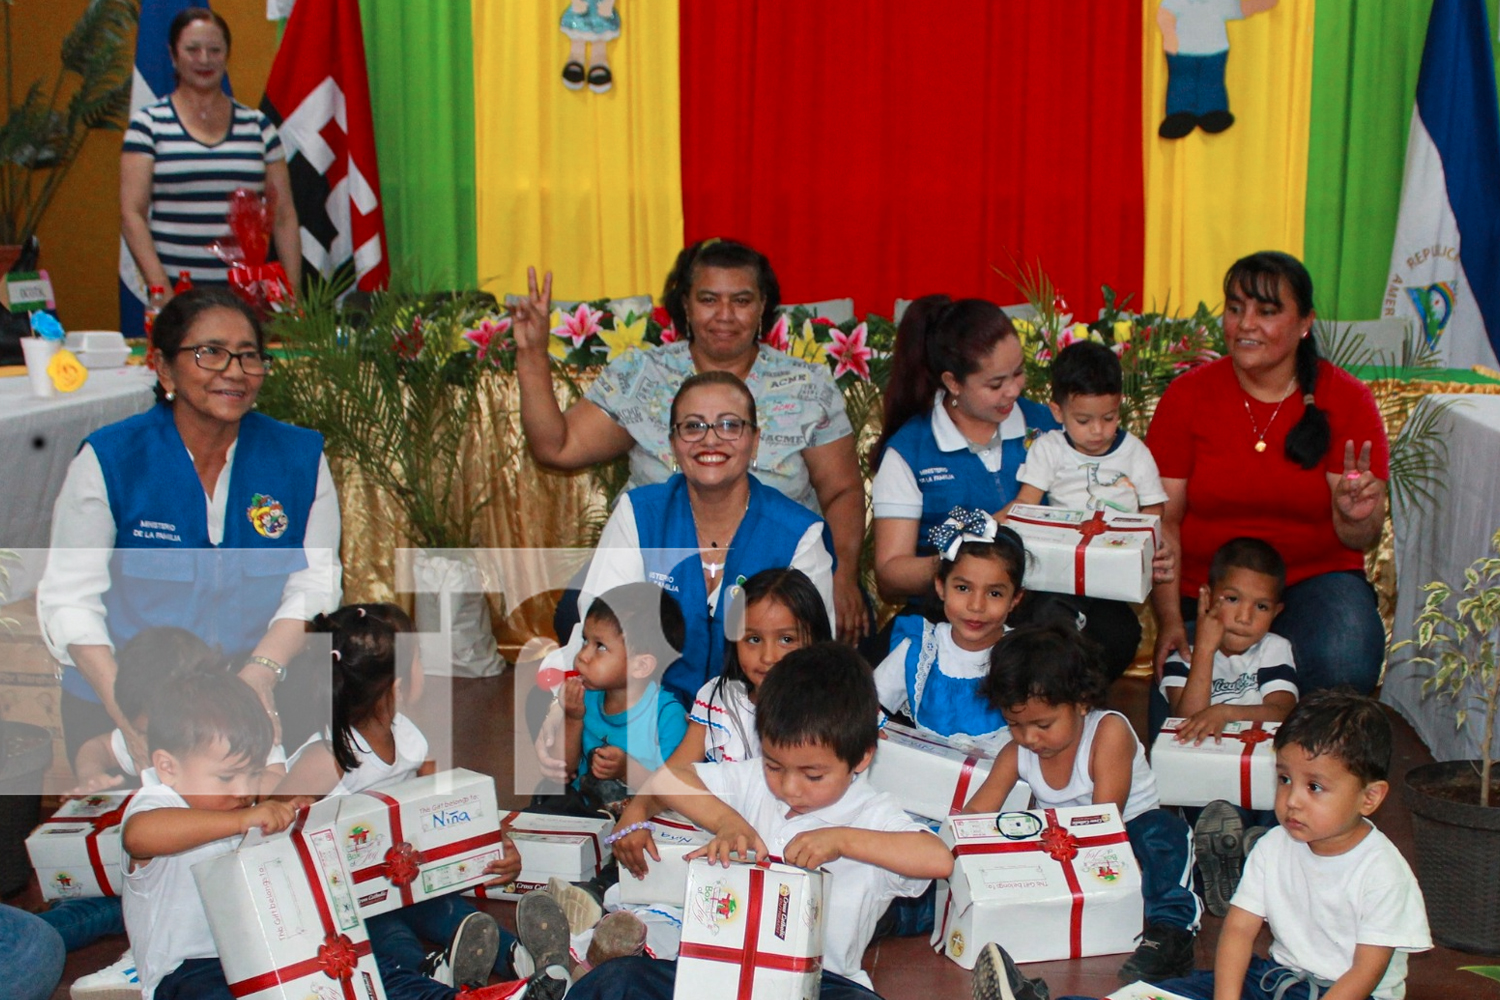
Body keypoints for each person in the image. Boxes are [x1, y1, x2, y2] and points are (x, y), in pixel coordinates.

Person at [38, 287, 341, 775]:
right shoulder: (111, 459)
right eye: (210, 353)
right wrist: (129, 716)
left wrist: (260, 675)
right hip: (124, 703)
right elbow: (69, 602)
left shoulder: (299, 458)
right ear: (162, 368)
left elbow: (315, 585)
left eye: (248, 356)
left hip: (256, 693)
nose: (235, 371)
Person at [512, 239, 869, 642]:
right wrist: (531, 354)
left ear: (763, 306)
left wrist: (843, 574)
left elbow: (841, 490)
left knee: (846, 633)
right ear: (685, 304)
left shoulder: (807, 385)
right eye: (708, 299)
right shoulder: (642, 375)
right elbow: (555, 447)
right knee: (581, 622)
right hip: (656, 563)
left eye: (741, 300)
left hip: (778, 568)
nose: (724, 315)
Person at [121, 671, 542, 1000]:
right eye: (227, 776)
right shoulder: (155, 803)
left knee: (369, 973)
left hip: (277, 955)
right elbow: (140, 836)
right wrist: (242, 821)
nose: (243, 789)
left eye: (251, 773)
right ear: (168, 766)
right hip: (192, 972)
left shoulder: (241, 808)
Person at [583, 642, 952, 999]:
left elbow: (938, 858)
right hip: (718, 971)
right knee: (618, 979)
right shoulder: (753, 782)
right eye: (775, 765)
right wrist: (728, 823)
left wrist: (843, 840)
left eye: (813, 775)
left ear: (860, 758)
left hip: (820, 983)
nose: (790, 787)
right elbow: (667, 780)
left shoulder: (870, 813)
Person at [1147, 251, 1388, 695]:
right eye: (1235, 309)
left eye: (1267, 311)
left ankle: (1308, 763)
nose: (1246, 324)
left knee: (1345, 660)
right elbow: (1165, 524)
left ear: (1304, 323)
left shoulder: (1347, 399)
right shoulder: (1187, 396)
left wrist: (1356, 515)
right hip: (1211, 589)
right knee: (1182, 714)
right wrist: (1168, 621)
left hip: (1313, 582)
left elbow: (1360, 539)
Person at [537, 371, 835, 725]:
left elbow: (813, 661)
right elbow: (599, 631)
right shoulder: (639, 514)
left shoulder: (799, 533)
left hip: (759, 730)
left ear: (754, 442)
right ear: (673, 444)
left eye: (729, 425)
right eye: (693, 427)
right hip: (646, 725)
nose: (711, 440)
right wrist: (563, 716)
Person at [275, 605, 538, 992]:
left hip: (405, 878)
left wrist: (492, 842)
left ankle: (519, 955)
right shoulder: (328, 757)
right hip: (346, 897)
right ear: (397, 685)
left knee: (447, 910)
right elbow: (271, 823)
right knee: (384, 929)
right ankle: (428, 969)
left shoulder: (409, 735)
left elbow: (448, 807)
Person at [1124, 691, 1432, 1000]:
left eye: (1315, 787)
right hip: (1277, 981)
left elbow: (1365, 972)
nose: (1292, 800)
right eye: (1284, 779)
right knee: (1160, 995)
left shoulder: (1383, 872)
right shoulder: (1273, 845)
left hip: (1352, 994)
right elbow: (1239, 930)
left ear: (1370, 798)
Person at [963, 625, 1202, 984]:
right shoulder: (1017, 753)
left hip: (1122, 838)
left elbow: (1105, 821)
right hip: (1061, 848)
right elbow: (975, 817)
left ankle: (1171, 932)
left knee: (1163, 834)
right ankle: (911, 915)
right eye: (1014, 724)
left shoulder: (1108, 733)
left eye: (1043, 724)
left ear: (1081, 702)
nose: (1029, 738)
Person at [871, 295, 1059, 609]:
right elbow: (891, 574)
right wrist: (962, 558)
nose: (1013, 390)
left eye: (1018, 373)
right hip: (951, 615)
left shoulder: (1048, 427)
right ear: (953, 383)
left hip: (1041, 606)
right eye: (996, 384)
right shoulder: (911, 450)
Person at [1007, 339, 1173, 680]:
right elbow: (1025, 503)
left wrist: (1148, 544)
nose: (1098, 431)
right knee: (1050, 616)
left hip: (1112, 568)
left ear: (1120, 406)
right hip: (1061, 569)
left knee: (1121, 633)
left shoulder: (1135, 453)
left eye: (1109, 417)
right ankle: (1054, 688)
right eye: (1083, 420)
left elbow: (1154, 508)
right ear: (1057, 412)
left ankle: (1085, 696)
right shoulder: (1048, 448)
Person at [120, 7, 300, 301]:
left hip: (247, 301)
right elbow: (132, 214)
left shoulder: (259, 127)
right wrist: (162, 291)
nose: (204, 59)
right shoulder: (147, 126)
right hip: (177, 298)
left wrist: (291, 294)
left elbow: (284, 216)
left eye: (215, 50)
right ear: (173, 55)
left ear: (227, 55)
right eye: (192, 49)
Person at [873, 509, 1025, 744]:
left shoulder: (1027, 656)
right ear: (941, 587)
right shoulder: (918, 649)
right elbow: (868, 706)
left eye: (994, 593)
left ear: (1015, 599)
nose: (976, 605)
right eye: (963, 588)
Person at [558, 583, 690, 807]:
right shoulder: (586, 698)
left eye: (600, 646)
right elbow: (565, 770)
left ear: (641, 666)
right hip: (585, 813)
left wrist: (626, 770)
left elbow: (673, 792)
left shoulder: (667, 716)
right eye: (585, 641)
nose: (582, 656)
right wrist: (572, 718)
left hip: (645, 824)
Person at [1157, 537, 1298, 745]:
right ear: (1206, 597)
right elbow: (1186, 725)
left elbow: (1283, 713)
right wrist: (1204, 651)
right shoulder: (1183, 658)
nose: (1244, 618)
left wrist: (1226, 713)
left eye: (1261, 607)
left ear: (1276, 613)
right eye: (1232, 599)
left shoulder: (1274, 648)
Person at [684, 567, 833, 764]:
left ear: (815, 641)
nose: (768, 657)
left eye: (786, 639)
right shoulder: (720, 699)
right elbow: (676, 773)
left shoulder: (839, 705)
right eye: (754, 639)